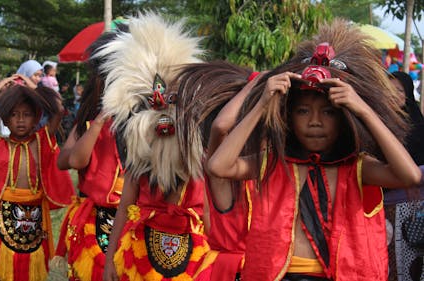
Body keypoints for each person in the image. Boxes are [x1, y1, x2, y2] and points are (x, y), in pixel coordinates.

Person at [206, 20, 421, 281]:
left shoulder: (357, 167)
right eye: (303, 111)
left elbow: (410, 176)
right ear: (288, 115)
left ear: (343, 118)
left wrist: (362, 108)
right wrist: (262, 104)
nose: (314, 121)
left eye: (328, 112)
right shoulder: (274, 163)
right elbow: (218, 166)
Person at [96, 12, 211, 281]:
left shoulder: (200, 153)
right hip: (142, 255)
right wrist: (110, 260)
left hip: (193, 255)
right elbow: (125, 207)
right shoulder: (140, 154)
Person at [0, 75, 75, 281]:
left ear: (36, 118)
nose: (20, 120)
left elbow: (58, 109)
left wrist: (33, 85)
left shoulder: (42, 140)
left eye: (26, 114)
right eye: (14, 115)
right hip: (2, 220)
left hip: (34, 220)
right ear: (5, 120)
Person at [176, 61, 266, 281]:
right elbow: (220, 127)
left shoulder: (274, 171)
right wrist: (255, 85)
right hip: (229, 272)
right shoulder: (222, 176)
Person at [54, 25, 129, 281]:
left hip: (132, 219)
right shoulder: (90, 122)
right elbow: (70, 160)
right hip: (95, 221)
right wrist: (97, 123)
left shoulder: (143, 125)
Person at [384, 71, 424, 281]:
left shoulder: (418, 126)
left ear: (408, 94)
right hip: (381, 208)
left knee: (410, 265)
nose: (393, 95)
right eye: (388, 89)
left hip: (412, 208)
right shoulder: (377, 123)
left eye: (398, 90)